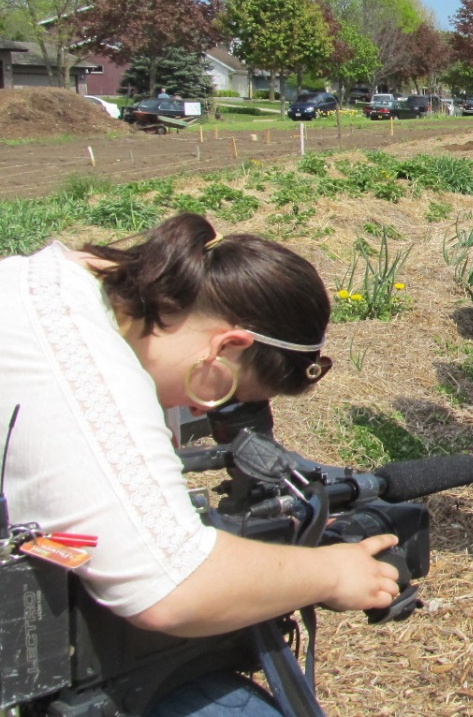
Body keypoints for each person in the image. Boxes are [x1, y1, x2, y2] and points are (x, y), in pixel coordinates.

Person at [0, 213, 400, 714]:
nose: (199, 410)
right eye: (228, 392)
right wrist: (330, 573)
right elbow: (172, 587)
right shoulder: (84, 371)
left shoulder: (61, 285)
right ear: (227, 346)